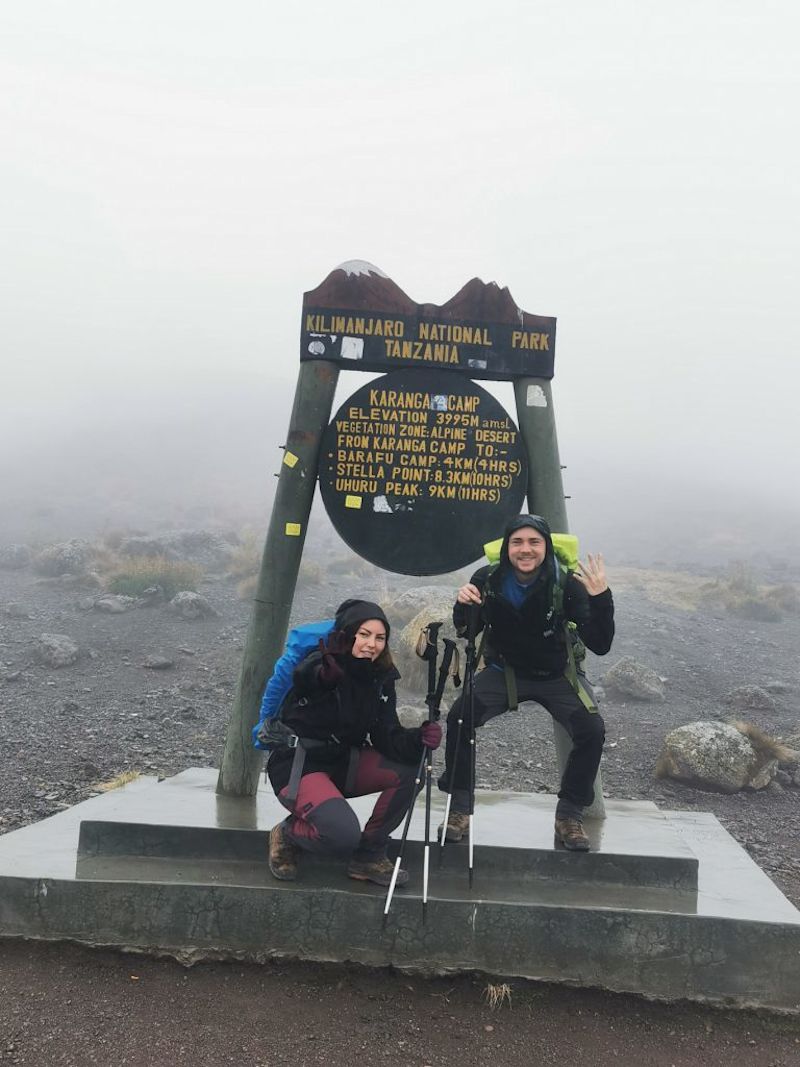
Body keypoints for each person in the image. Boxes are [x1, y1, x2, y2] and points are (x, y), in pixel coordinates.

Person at [438, 515, 615, 851]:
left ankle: (569, 815)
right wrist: (462, 605)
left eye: (534, 542)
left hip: (558, 674)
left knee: (591, 730)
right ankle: (459, 810)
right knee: (460, 717)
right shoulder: (487, 578)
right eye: (517, 542)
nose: (525, 549)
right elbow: (467, 630)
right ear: (507, 548)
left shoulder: (567, 582)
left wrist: (601, 598)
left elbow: (601, 643)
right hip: (504, 672)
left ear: (545, 547)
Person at [267, 598, 442, 886]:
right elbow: (305, 679)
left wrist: (418, 739)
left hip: (342, 762)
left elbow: (386, 735)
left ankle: (369, 856)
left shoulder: (380, 677)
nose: (372, 644)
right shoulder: (322, 661)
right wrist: (326, 675)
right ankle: (287, 834)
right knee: (341, 835)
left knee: (411, 770)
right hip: (298, 765)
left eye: (380, 637)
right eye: (364, 635)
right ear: (348, 635)